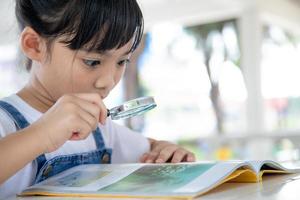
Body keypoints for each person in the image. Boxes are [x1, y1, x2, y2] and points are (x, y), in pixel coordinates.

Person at [0, 0, 195, 198]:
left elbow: (150, 147)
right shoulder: (5, 122)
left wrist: (163, 150)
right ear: (34, 45)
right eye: (92, 61)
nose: (108, 81)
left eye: (122, 61)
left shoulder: (101, 129)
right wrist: (43, 134)